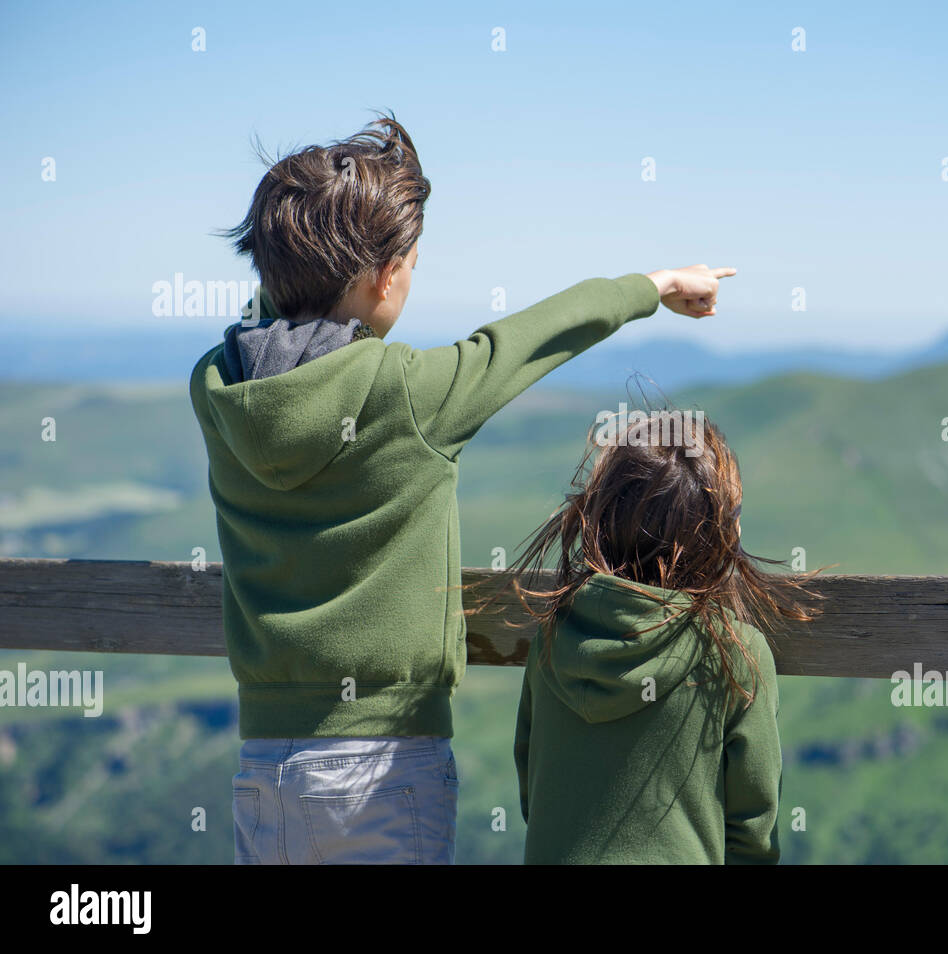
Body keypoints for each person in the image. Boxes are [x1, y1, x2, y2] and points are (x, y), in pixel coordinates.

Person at [188, 112, 734, 863]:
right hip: (383, 766)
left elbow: (276, 324)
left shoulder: (219, 387)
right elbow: (532, 337)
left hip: (264, 764)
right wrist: (658, 284)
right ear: (385, 276)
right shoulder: (409, 394)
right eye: (410, 261)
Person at [511, 410, 819, 863]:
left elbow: (531, 795)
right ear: (715, 532)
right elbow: (753, 836)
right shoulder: (734, 654)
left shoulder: (554, 638)